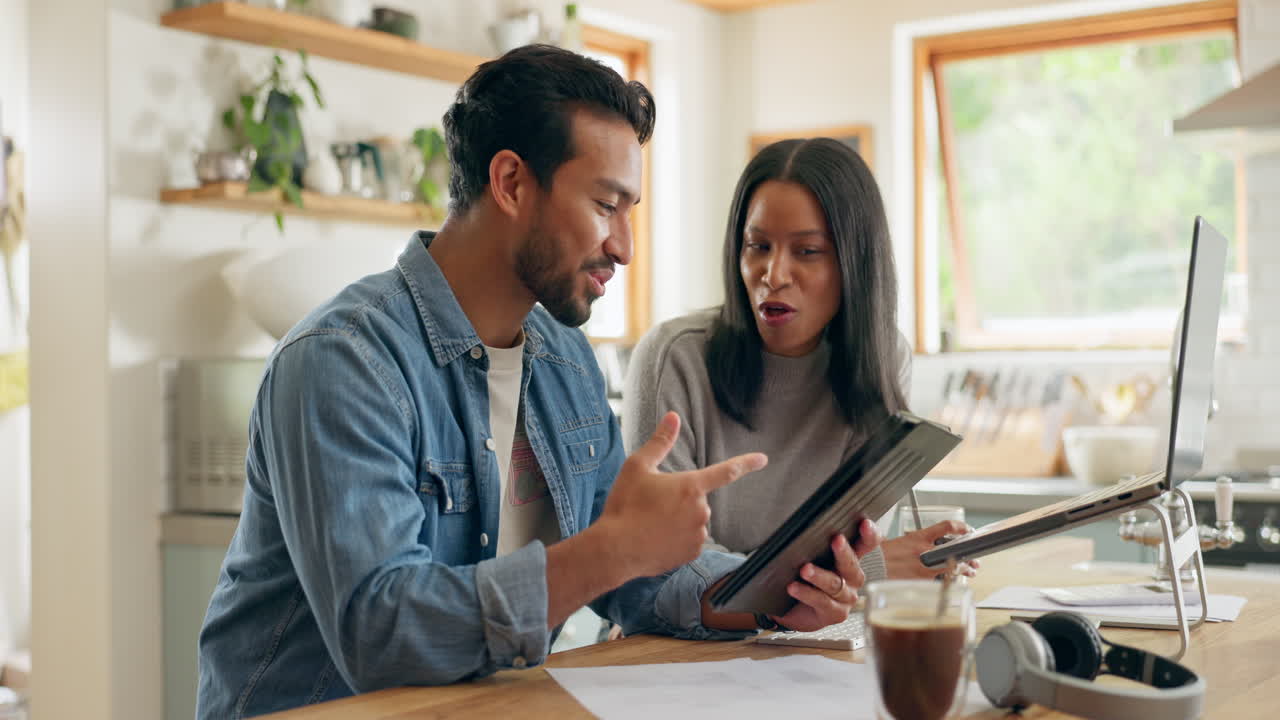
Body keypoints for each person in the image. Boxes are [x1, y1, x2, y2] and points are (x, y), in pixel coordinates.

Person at [196, 46, 881, 719]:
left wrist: (761, 594)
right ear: (512, 183)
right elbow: (383, 634)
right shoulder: (342, 362)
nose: (625, 246)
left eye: (630, 210)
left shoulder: (563, 360)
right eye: (606, 205)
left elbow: (638, 573)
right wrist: (601, 555)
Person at [624, 138, 975, 587]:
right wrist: (875, 568)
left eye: (807, 251)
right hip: (671, 641)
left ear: (855, 264)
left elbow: (847, 557)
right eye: (758, 246)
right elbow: (663, 564)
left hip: (803, 640)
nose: (774, 275)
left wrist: (859, 568)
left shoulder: (884, 359)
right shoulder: (673, 358)